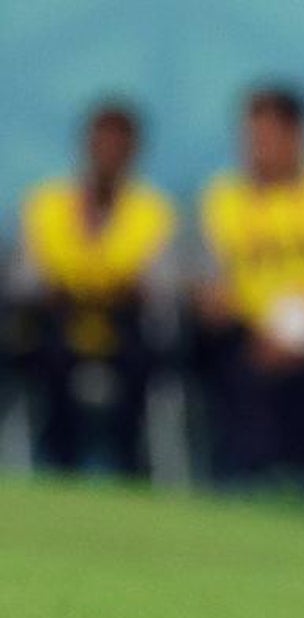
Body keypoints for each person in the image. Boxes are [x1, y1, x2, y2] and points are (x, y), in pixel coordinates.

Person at [197, 87, 304, 486]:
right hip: (250, 331)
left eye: (270, 138)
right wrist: (258, 327)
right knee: (233, 364)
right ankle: (245, 479)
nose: (259, 149)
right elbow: (208, 288)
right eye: (253, 138)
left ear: (298, 137)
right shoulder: (222, 198)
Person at [19, 103, 175, 474]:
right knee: (41, 357)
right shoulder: (47, 204)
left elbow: (159, 283)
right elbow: (28, 278)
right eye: (101, 143)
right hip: (59, 326)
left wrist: (98, 283)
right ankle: (54, 463)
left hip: (124, 331)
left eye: (118, 145)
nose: (108, 154)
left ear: (134, 152)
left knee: (144, 364)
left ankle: (131, 467)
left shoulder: (153, 210)